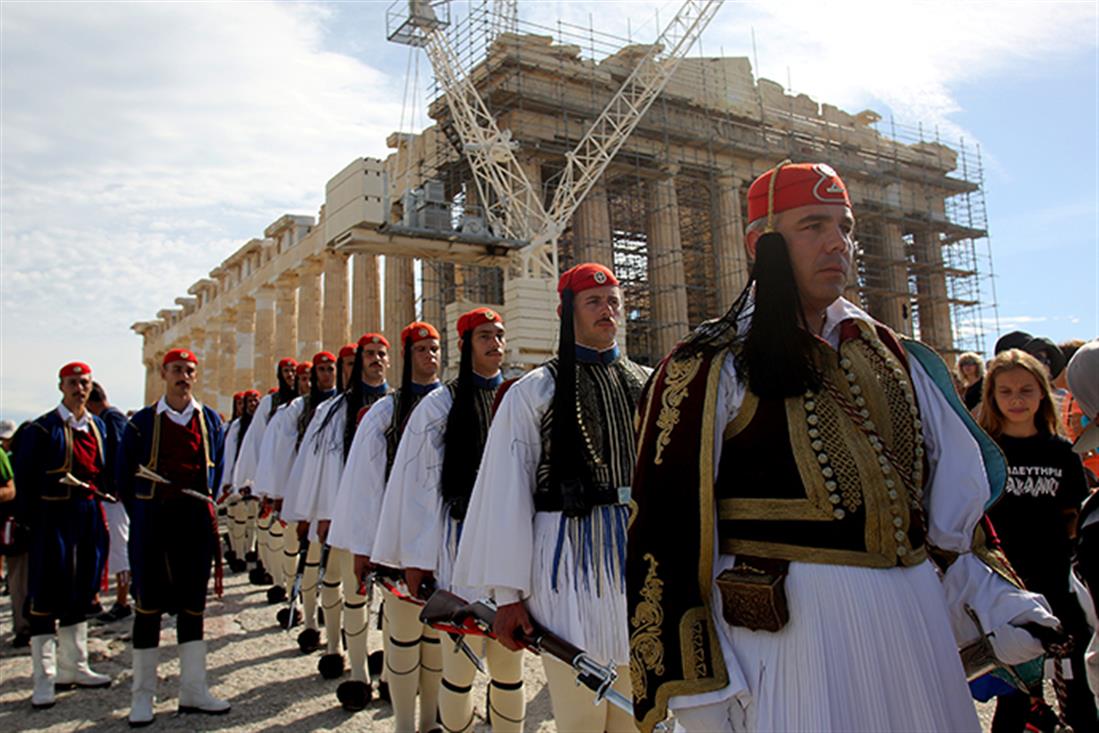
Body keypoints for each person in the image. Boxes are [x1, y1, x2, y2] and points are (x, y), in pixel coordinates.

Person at [624, 161, 1059, 733]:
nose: (839, 243)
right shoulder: (708, 364)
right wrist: (697, 688)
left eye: (846, 227)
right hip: (790, 648)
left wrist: (998, 600)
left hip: (913, 630)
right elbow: (664, 536)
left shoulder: (896, 357)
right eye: (813, 226)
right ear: (762, 243)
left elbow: (944, 515)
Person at [453, 264, 649, 733]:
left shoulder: (649, 383)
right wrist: (508, 597)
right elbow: (506, 496)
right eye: (594, 302)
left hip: (638, 560)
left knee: (633, 713)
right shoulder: (533, 392)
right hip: (566, 565)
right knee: (581, 714)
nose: (609, 311)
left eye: (614, 302)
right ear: (568, 312)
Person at [374, 307, 526, 733]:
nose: (495, 343)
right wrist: (416, 561)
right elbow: (420, 493)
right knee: (459, 667)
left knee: (508, 666)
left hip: (508, 545)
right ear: (467, 344)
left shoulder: (521, 397)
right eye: (484, 336)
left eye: (499, 334)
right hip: (458, 546)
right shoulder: (438, 408)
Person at [328, 321, 442, 727]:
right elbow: (366, 487)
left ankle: (431, 721)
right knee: (404, 640)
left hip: (445, 546)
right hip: (398, 543)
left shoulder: (454, 404)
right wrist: (363, 546)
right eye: (421, 349)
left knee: (438, 644)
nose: (430, 356)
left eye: (435, 348)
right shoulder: (385, 412)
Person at [978, 349, 1096, 732]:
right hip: (1005, 587)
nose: (1016, 399)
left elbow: (1073, 516)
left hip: (1056, 582)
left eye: (1026, 390)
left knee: (1077, 693)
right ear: (992, 396)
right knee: (1014, 699)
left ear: (1042, 393)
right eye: (1006, 391)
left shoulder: (1061, 452)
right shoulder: (985, 453)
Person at [116, 348, 229, 726]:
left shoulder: (210, 420)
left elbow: (217, 471)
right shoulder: (141, 423)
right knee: (147, 607)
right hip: (153, 525)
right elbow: (124, 477)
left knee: (192, 607)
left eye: (189, 371)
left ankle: (193, 690)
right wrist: (147, 514)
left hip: (194, 526)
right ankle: (142, 696)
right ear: (164, 373)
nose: (183, 377)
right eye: (177, 370)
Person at [291, 333, 390, 686]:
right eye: (369, 355)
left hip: (386, 515)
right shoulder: (334, 411)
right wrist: (323, 513)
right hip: (346, 513)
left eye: (382, 353)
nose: (376, 360)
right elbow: (325, 463)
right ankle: (351, 662)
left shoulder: (399, 402)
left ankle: (390, 666)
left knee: (391, 600)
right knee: (351, 589)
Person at [14, 362, 112, 708]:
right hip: (51, 517)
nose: (79, 389)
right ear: (61, 386)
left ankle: (76, 665)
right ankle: (44, 676)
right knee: (45, 593)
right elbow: (24, 479)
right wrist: (28, 523)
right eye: (73, 383)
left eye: (84, 383)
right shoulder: (43, 429)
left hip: (86, 516)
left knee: (81, 589)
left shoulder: (97, 427)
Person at [257, 352, 338, 629]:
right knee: (308, 558)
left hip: (334, 492)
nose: (326, 375)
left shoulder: (342, 405)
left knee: (334, 567)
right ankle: (310, 620)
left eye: (331, 369)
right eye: (321, 370)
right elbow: (283, 454)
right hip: (304, 491)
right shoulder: (296, 408)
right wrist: (281, 494)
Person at [233, 357, 298, 588]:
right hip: (274, 474)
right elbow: (258, 440)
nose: (291, 375)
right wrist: (258, 479)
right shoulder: (271, 403)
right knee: (274, 529)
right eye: (286, 371)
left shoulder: (306, 402)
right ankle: (277, 578)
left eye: (293, 370)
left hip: (297, 475)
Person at [86, 381, 133, 623]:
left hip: (115, 497)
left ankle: (123, 602)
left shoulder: (112, 420)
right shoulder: (107, 419)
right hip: (107, 495)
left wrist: (116, 487)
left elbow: (118, 456)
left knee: (119, 548)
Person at [0, 418, 31, 648]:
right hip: (24, 526)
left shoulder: (12, 460)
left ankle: (23, 626)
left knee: (18, 579)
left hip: (16, 527)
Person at [221, 389, 258, 574]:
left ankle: (249, 551)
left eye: (254, 401)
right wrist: (228, 480)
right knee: (238, 519)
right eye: (247, 401)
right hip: (237, 478)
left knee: (253, 519)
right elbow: (229, 454)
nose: (251, 405)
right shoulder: (236, 427)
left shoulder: (261, 425)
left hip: (254, 480)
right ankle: (239, 554)